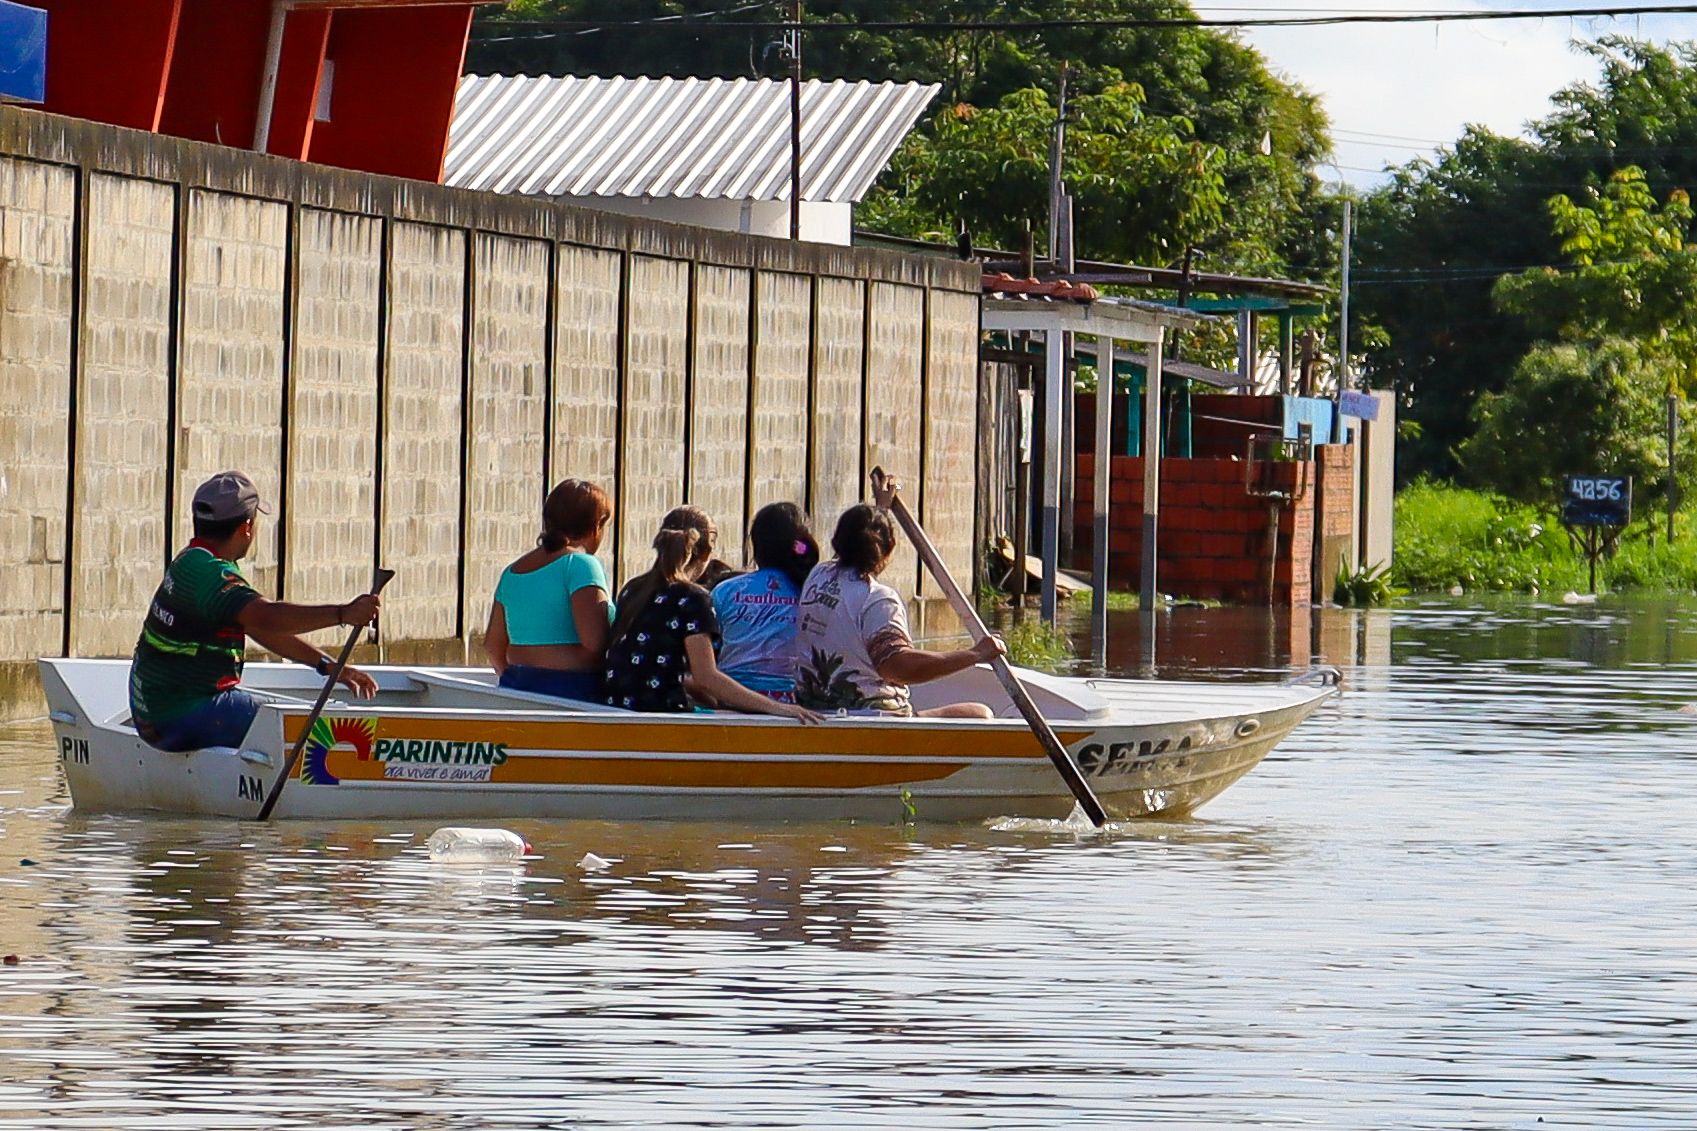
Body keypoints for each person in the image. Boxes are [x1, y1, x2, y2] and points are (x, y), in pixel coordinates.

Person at [128, 470, 380, 752]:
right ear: (246, 528)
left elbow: (259, 626)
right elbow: (268, 616)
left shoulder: (190, 561)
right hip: (182, 717)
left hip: (153, 716)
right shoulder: (212, 576)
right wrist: (342, 613)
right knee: (303, 729)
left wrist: (328, 666)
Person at [795, 491, 1005, 718]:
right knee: (982, 714)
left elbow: (855, 543)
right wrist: (975, 654)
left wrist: (882, 509)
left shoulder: (820, 575)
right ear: (890, 547)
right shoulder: (878, 600)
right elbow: (897, 668)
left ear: (837, 542)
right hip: (875, 718)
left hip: (817, 707)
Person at [603, 505, 820, 723]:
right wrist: (779, 708)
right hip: (666, 712)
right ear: (707, 552)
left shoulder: (633, 588)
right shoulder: (693, 597)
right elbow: (706, 676)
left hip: (619, 707)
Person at [485, 478, 615, 701]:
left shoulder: (512, 572)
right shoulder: (581, 565)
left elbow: (492, 646)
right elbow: (596, 645)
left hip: (516, 688)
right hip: (574, 693)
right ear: (597, 525)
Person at [711, 502, 818, 702]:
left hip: (732, 699)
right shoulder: (813, 592)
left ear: (756, 545)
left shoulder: (725, 591)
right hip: (796, 701)